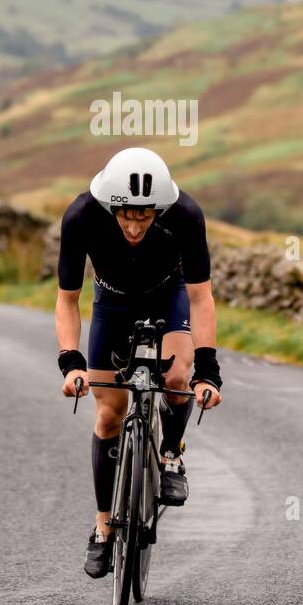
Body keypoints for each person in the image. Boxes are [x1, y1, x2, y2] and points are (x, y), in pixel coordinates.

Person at [55, 146, 223, 578]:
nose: (134, 226)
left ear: (160, 209)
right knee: (109, 416)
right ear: (111, 205)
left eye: (145, 216)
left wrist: (208, 371)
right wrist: (71, 362)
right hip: (111, 301)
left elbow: (201, 298)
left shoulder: (185, 214)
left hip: (168, 294)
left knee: (178, 374)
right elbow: (67, 300)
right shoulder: (81, 217)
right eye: (126, 214)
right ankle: (103, 529)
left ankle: (170, 454)